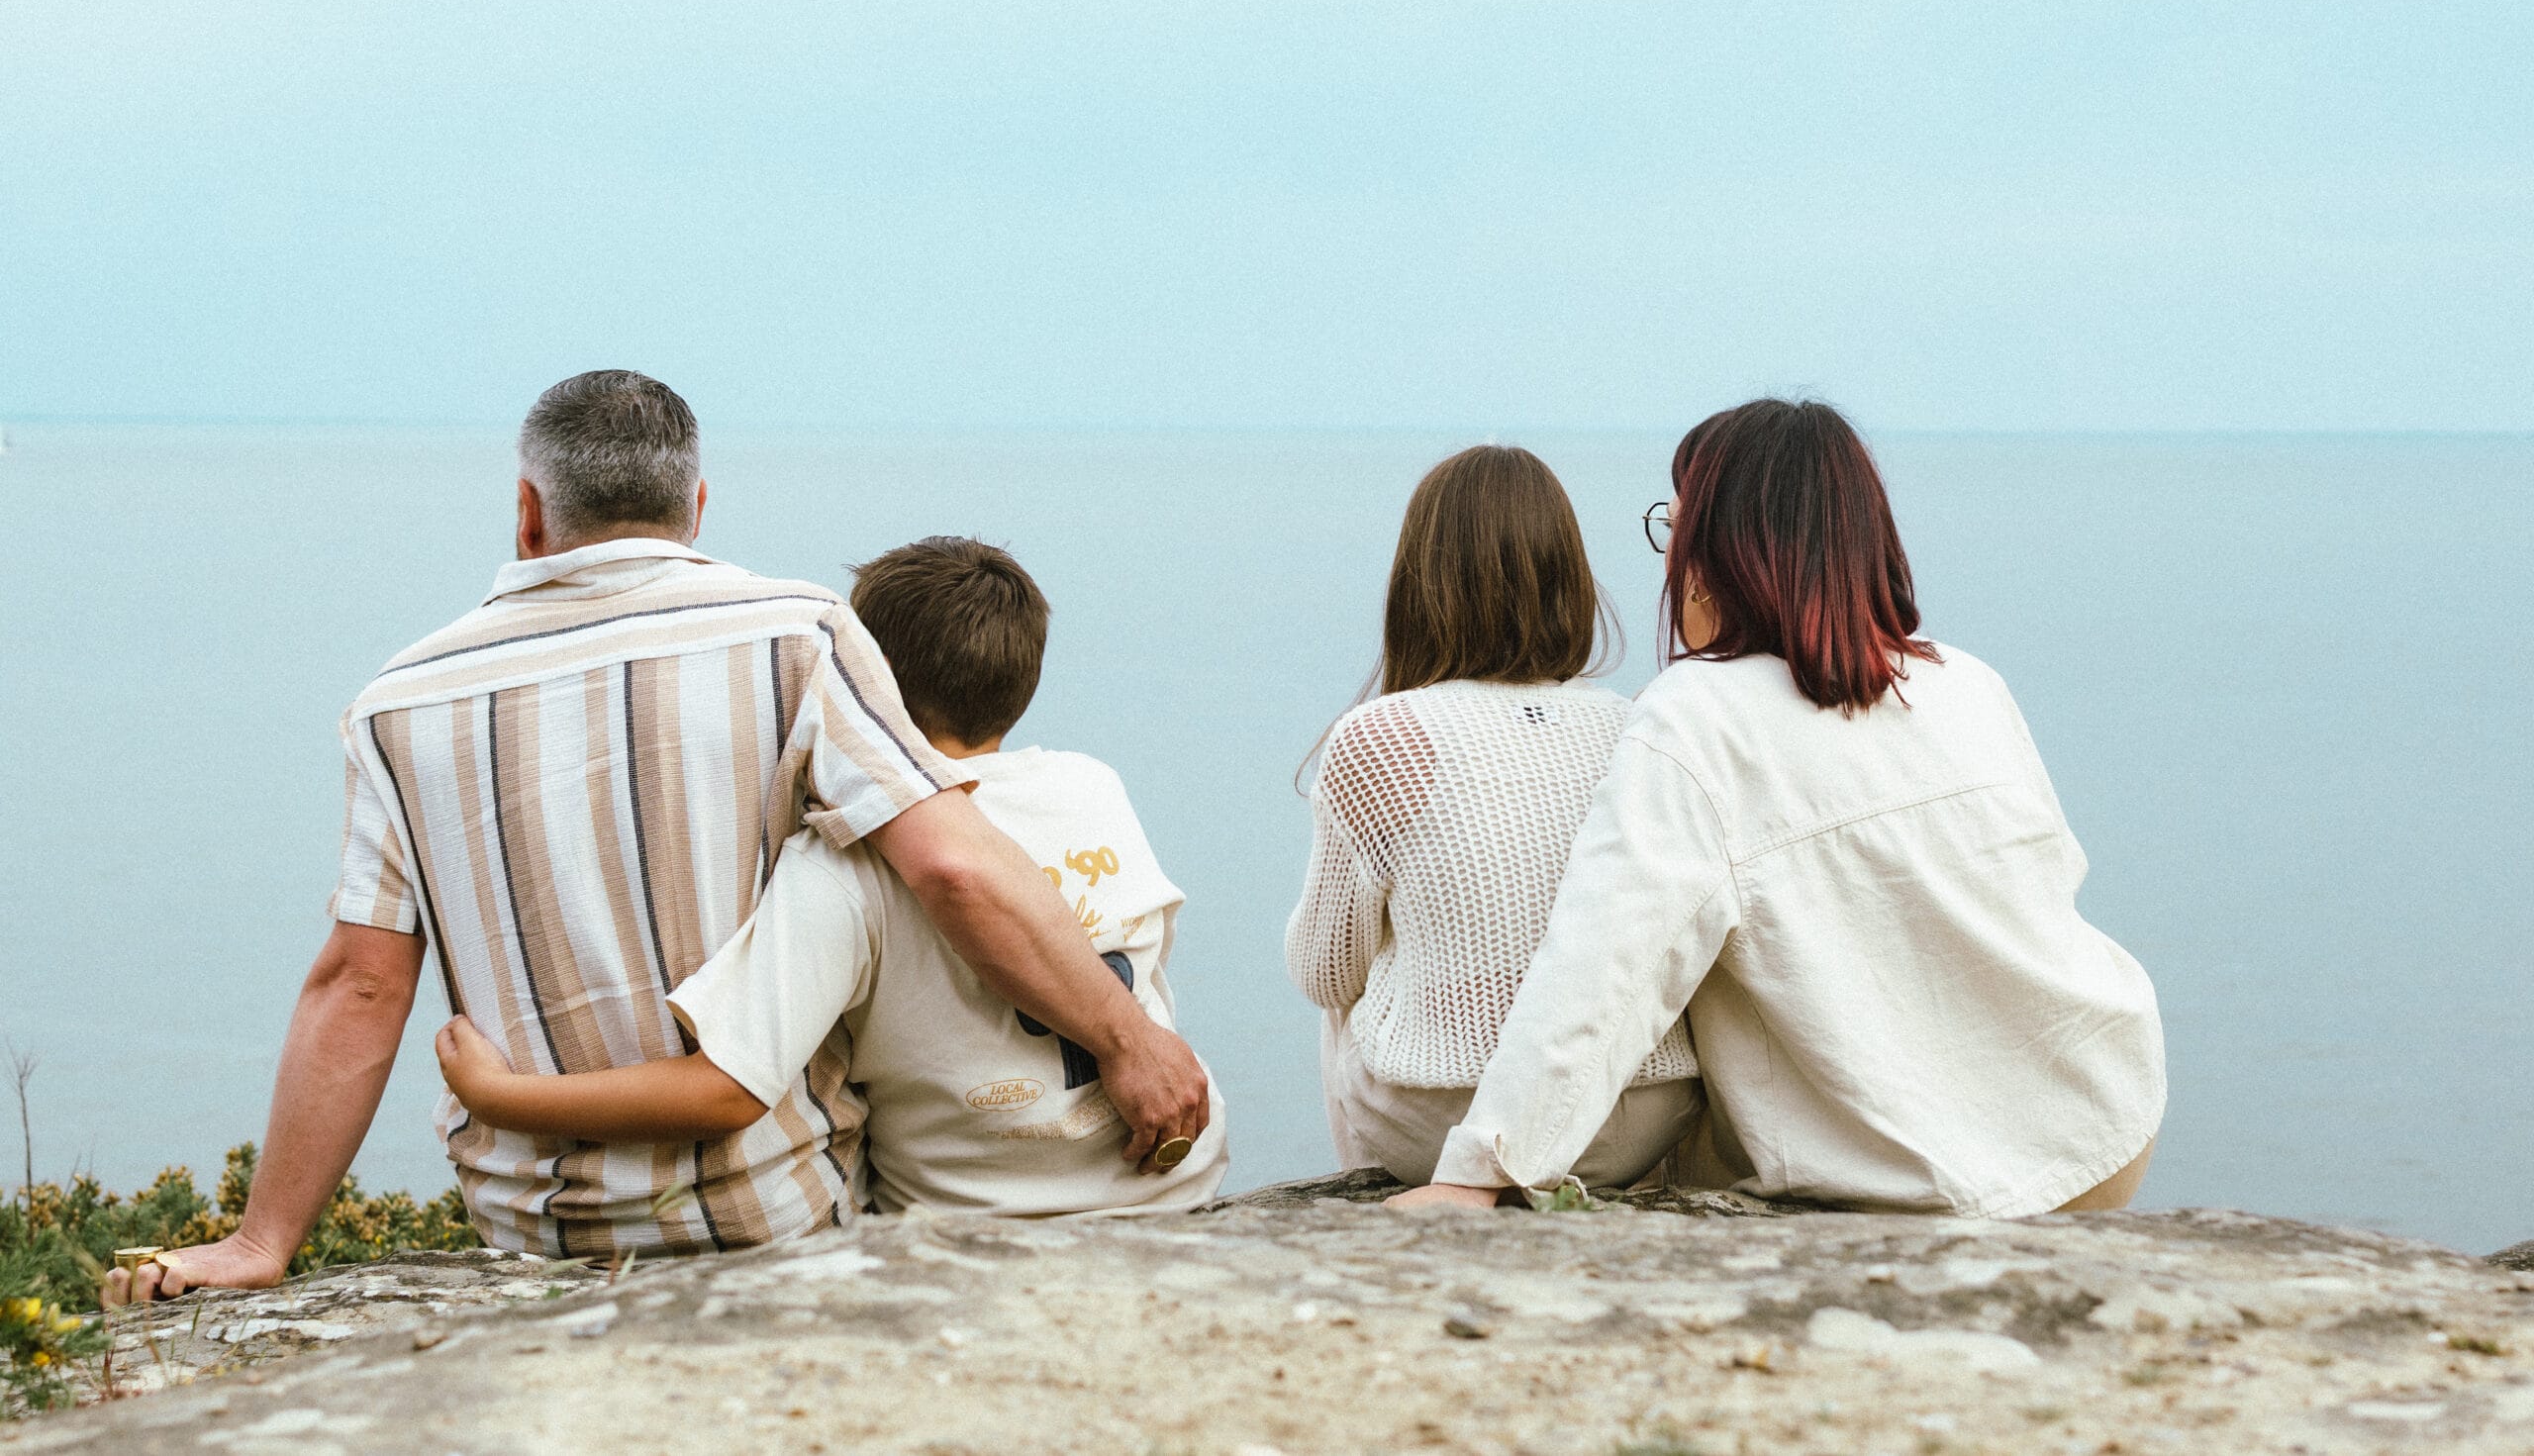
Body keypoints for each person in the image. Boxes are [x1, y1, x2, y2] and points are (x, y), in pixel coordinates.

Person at [109, 373, 1207, 1304]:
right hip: (778, 1213)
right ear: (697, 506)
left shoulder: (397, 703)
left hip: (532, 1231)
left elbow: (358, 985)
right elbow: (954, 864)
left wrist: (264, 1242)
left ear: (529, 512)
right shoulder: (799, 632)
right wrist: (1124, 1041)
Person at [1389, 400, 2165, 1217]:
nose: (1668, 565)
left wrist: (1477, 1173)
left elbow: (1607, 969)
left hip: (1941, 1176)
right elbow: (2048, 882)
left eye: (1676, 532)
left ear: (1716, 554)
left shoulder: (1696, 715)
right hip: (2101, 1118)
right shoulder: (1967, 681)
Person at [434, 536, 1229, 1215]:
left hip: (982, 1224)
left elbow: (727, 1090)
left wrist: (500, 1096)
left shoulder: (847, 860)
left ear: (864, 681)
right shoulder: (1092, 786)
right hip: (1171, 1184)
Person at [1286, 445, 1701, 1187]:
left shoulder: (1383, 733)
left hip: (1446, 1121)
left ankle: (1391, 1200)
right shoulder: (1631, 722)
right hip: (1642, 1109)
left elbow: (1324, 972)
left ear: (1419, 582)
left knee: (1347, 1004)